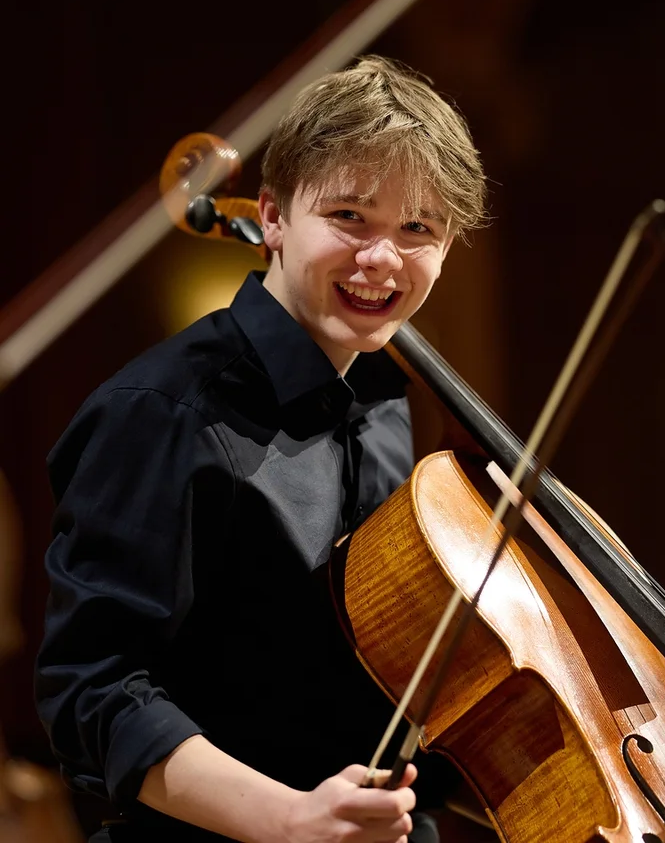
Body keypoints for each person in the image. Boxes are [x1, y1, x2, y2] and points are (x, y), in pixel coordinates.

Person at [34, 55, 488, 843]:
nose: (382, 259)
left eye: (418, 229)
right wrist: (290, 820)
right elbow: (94, 689)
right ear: (273, 219)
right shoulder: (161, 414)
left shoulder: (382, 402)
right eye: (350, 216)